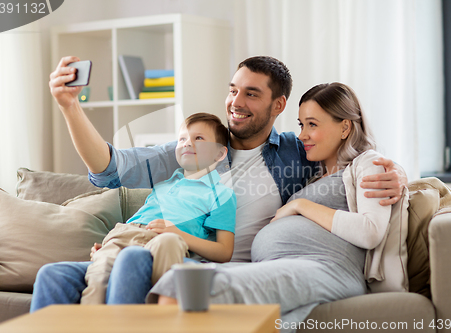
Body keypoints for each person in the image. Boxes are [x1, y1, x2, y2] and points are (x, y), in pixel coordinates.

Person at [31, 55, 407, 311]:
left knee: (130, 263)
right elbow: (111, 168)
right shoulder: (199, 144)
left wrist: (399, 176)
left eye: (251, 93)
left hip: (202, 263)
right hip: (143, 245)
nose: (235, 102)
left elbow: (349, 157)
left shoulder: (298, 151)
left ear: (278, 106)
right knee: (54, 275)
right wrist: (69, 106)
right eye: (233, 89)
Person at [151, 83, 409, 332]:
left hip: (323, 268)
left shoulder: (367, 163)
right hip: (278, 264)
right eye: (301, 124)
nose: (302, 135)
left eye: (312, 125)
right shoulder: (311, 170)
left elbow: (370, 230)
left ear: (344, 128)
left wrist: (300, 205)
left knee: (184, 287)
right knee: (184, 275)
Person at [80, 112, 236, 304]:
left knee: (168, 241)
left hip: (166, 240)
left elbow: (224, 252)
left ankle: (163, 317)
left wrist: (179, 234)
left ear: (219, 153)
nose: (187, 143)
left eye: (199, 138)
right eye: (182, 139)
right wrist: (107, 248)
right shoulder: (163, 183)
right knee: (98, 282)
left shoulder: (221, 194)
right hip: (125, 233)